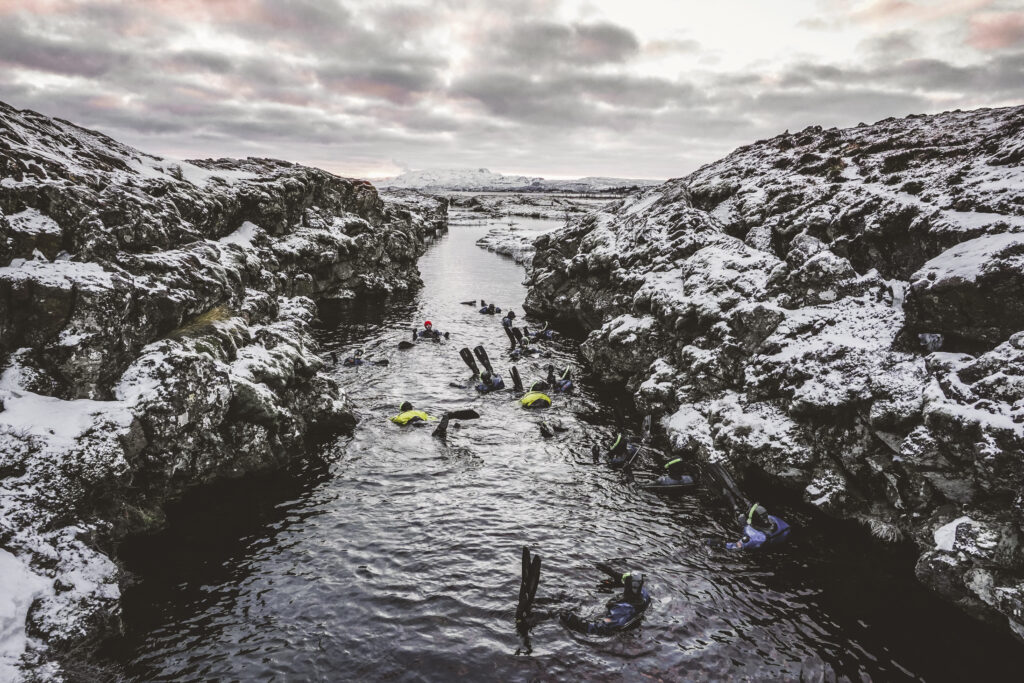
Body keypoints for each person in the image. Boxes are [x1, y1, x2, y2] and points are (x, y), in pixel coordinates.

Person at [559, 567, 651, 636]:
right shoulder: (644, 595)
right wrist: (615, 574)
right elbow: (635, 584)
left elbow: (599, 628)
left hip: (611, 622)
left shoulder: (622, 610)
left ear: (628, 587)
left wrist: (575, 621)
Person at [723, 503, 791, 550]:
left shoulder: (754, 538)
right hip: (780, 541)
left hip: (762, 550)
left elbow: (734, 547)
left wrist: (717, 543)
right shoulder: (773, 518)